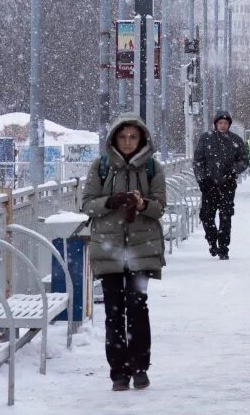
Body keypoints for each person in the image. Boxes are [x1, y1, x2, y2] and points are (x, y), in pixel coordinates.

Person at [81, 113, 166, 392]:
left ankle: (140, 368)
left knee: (138, 308)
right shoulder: (101, 167)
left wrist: (142, 205)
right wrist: (111, 201)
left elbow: (159, 207)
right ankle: (118, 372)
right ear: (114, 139)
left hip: (142, 249)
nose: (127, 142)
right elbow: (87, 204)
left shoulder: (152, 167)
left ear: (141, 139)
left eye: (133, 137)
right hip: (109, 250)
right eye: (122, 137)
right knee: (114, 312)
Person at [194, 110, 248, 259]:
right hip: (209, 185)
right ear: (216, 124)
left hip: (227, 185)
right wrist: (202, 180)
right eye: (220, 123)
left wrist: (233, 171)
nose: (223, 125)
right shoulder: (206, 139)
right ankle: (212, 241)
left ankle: (223, 247)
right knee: (206, 216)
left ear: (229, 125)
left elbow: (244, 160)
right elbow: (198, 161)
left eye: (225, 123)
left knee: (225, 216)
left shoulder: (235, 140)